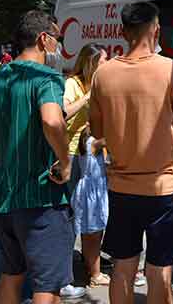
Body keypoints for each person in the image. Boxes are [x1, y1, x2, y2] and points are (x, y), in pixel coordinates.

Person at [90, 1, 173, 304]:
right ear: (156, 29)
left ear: (122, 32)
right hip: (165, 189)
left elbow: (97, 133)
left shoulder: (103, 74)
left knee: (122, 267)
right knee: (159, 270)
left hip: (121, 188)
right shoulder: (170, 70)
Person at [0, 10, 73, 304]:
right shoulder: (46, 78)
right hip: (41, 196)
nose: (57, 46)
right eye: (56, 38)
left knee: (11, 275)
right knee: (47, 285)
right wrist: (65, 161)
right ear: (43, 39)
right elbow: (52, 122)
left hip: (5, 196)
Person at [61, 43, 107, 297]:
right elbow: (63, 113)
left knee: (89, 213)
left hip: (89, 156)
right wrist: (87, 98)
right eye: (103, 61)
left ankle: (92, 272)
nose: (107, 66)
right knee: (67, 214)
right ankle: (62, 275)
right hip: (69, 157)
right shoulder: (73, 84)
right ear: (91, 64)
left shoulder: (101, 86)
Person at [71, 124, 110, 287]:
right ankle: (95, 274)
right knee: (94, 236)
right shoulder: (93, 143)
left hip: (87, 192)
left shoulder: (86, 142)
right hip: (92, 194)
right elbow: (112, 139)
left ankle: (90, 268)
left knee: (88, 234)